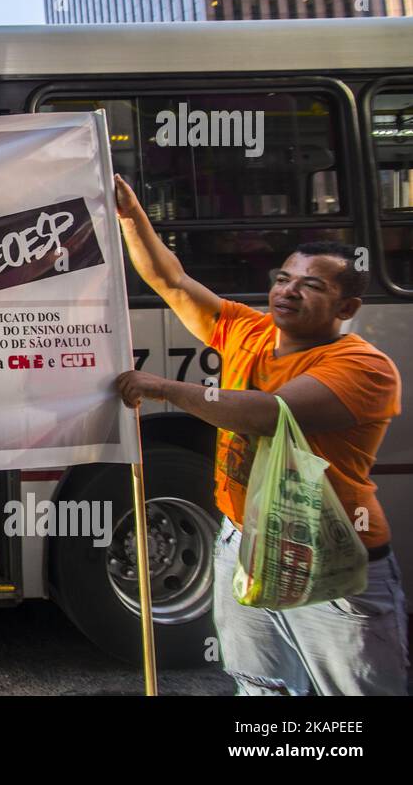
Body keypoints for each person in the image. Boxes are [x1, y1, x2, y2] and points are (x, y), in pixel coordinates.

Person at [112, 174, 407, 695]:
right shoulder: (250, 331)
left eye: (311, 285)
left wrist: (162, 387)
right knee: (261, 688)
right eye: (283, 277)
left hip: (326, 557)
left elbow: (267, 414)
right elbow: (174, 283)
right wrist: (131, 215)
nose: (288, 290)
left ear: (347, 309)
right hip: (242, 543)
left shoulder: (364, 366)